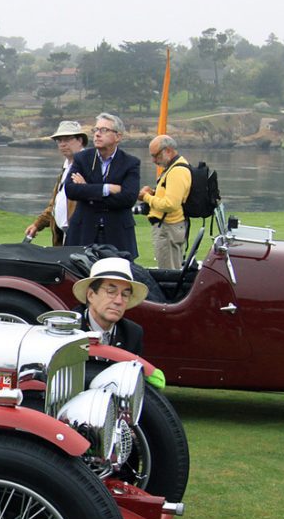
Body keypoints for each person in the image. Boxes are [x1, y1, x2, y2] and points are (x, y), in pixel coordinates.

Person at [63, 112, 141, 258]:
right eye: (96, 130)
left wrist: (87, 190)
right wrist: (106, 189)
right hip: (83, 232)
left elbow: (128, 198)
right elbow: (71, 190)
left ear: (118, 136)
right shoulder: (82, 158)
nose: (97, 134)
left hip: (117, 234)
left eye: (104, 130)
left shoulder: (130, 163)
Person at [24, 120, 87, 245]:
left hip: (81, 237)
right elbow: (56, 204)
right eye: (59, 141)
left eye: (67, 139)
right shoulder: (66, 168)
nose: (63, 144)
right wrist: (37, 224)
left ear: (80, 140)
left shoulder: (90, 166)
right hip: (62, 237)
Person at [71, 256, 145, 354]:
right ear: (91, 295)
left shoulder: (132, 334)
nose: (118, 301)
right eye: (111, 292)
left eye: (125, 294)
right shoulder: (71, 331)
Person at [138, 134, 191, 270]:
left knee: (169, 273)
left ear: (168, 150)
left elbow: (170, 204)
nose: (154, 160)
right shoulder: (173, 168)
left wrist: (146, 197)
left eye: (156, 156)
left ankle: (171, 292)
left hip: (169, 229)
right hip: (170, 228)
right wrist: (154, 193)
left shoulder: (177, 171)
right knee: (172, 270)